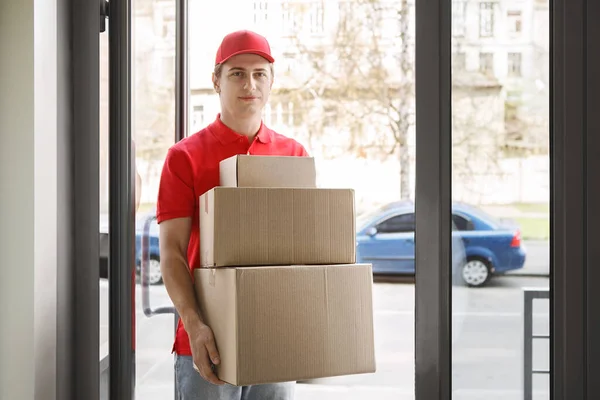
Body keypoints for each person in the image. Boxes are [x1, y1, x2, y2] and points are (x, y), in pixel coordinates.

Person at [156, 30, 309, 400]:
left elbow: (306, 252)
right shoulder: (185, 157)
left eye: (259, 74)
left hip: (273, 337)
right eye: (237, 73)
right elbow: (172, 253)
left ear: (271, 82)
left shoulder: (294, 155)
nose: (249, 84)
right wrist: (193, 325)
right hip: (206, 339)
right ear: (216, 81)